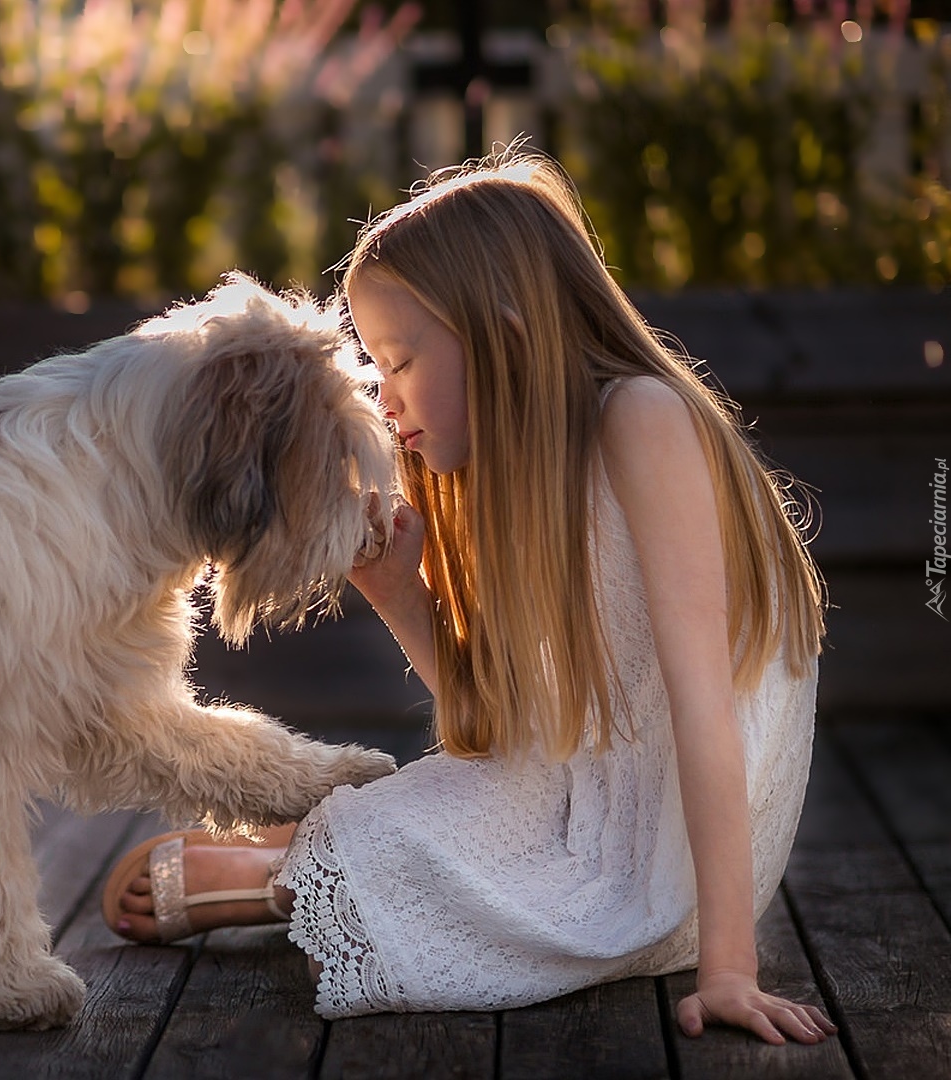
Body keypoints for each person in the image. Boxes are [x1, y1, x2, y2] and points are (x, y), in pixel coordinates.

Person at [100, 149, 835, 1045]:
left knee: (553, 898)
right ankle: (322, 857)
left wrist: (729, 965)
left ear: (507, 337)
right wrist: (400, 596)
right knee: (474, 813)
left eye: (400, 360)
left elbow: (703, 706)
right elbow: (499, 734)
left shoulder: (643, 419)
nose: (385, 397)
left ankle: (289, 875)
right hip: (585, 798)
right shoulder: (507, 475)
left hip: (684, 848)